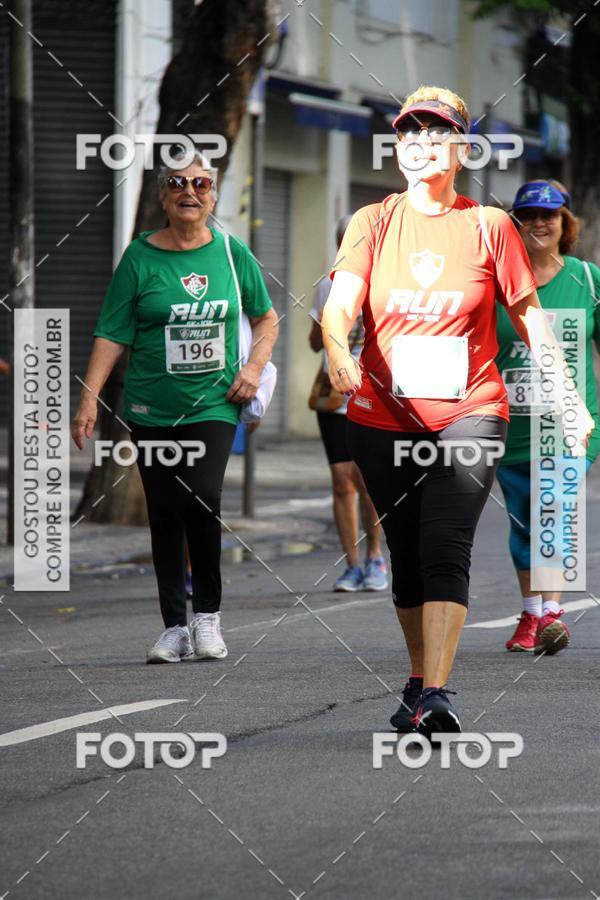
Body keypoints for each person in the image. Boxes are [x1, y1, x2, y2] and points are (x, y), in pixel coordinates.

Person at [321, 85, 594, 737]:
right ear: (397, 147)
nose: (421, 142)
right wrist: (337, 349)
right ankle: (418, 679)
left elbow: (529, 320)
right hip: (382, 417)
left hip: (469, 410)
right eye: (410, 132)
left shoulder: (490, 226)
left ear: (462, 147)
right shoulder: (372, 222)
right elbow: (341, 301)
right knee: (410, 556)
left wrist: (570, 398)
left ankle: (437, 693)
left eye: (436, 131)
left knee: (447, 542)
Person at [71, 149, 278, 663]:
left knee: (202, 496)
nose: (190, 192)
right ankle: (173, 627)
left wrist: (251, 369)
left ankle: (207, 617)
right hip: (150, 407)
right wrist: (89, 398)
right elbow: (112, 332)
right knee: (164, 512)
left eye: (201, 184)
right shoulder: (140, 257)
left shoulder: (232, 253)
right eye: (178, 184)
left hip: (213, 403)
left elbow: (268, 319)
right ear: (163, 196)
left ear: (213, 195)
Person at [496, 179, 600, 654]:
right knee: (523, 525)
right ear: (516, 225)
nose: (539, 223)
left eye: (549, 216)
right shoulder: (496, 285)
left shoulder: (587, 280)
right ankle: (531, 613)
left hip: (567, 429)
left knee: (554, 514)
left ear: (565, 224)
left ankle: (552, 614)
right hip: (510, 428)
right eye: (528, 216)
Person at [309, 216, 388, 592]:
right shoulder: (326, 284)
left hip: (371, 393)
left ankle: (375, 557)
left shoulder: (387, 284)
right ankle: (352, 564)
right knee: (342, 482)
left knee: (366, 479)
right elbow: (315, 340)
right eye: (344, 242)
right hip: (334, 393)